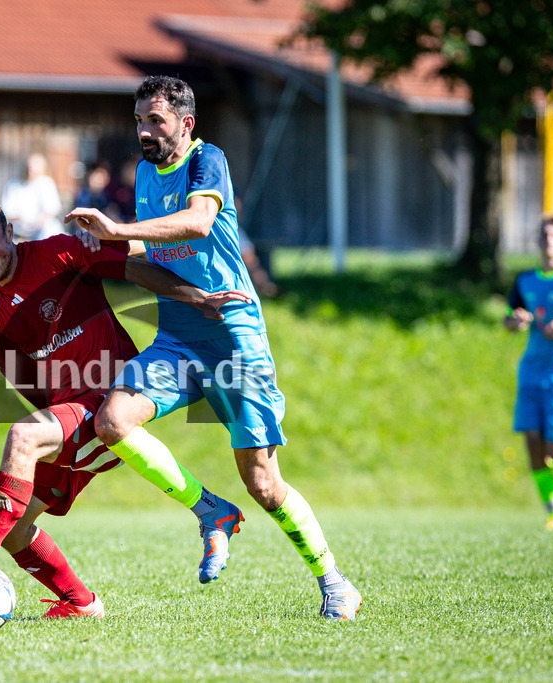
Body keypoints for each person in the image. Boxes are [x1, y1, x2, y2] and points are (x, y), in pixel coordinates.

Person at [0, 198, 249, 618]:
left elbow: (132, 261)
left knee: (24, 435)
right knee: (15, 531)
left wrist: (197, 296)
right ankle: (80, 603)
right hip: (70, 422)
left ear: (9, 232)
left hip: (111, 404)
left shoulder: (58, 254)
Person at [65, 75, 362, 621]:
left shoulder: (209, 161)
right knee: (113, 421)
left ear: (185, 122)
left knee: (265, 484)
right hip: (179, 335)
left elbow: (199, 223)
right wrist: (96, 251)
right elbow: (140, 262)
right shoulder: (144, 174)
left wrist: (120, 228)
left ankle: (334, 580)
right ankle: (211, 512)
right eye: (139, 121)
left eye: (154, 120)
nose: (145, 131)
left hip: (233, 335)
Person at [504, 213, 553, 531]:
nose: (549, 241)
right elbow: (510, 318)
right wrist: (515, 321)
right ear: (537, 242)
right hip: (531, 371)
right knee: (534, 446)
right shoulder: (525, 281)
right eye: (544, 235)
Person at [0, 153, 64, 241]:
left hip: (43, 231)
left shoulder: (47, 183)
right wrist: (23, 223)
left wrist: (37, 224)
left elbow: (51, 210)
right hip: (19, 230)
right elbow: (9, 211)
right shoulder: (13, 184)